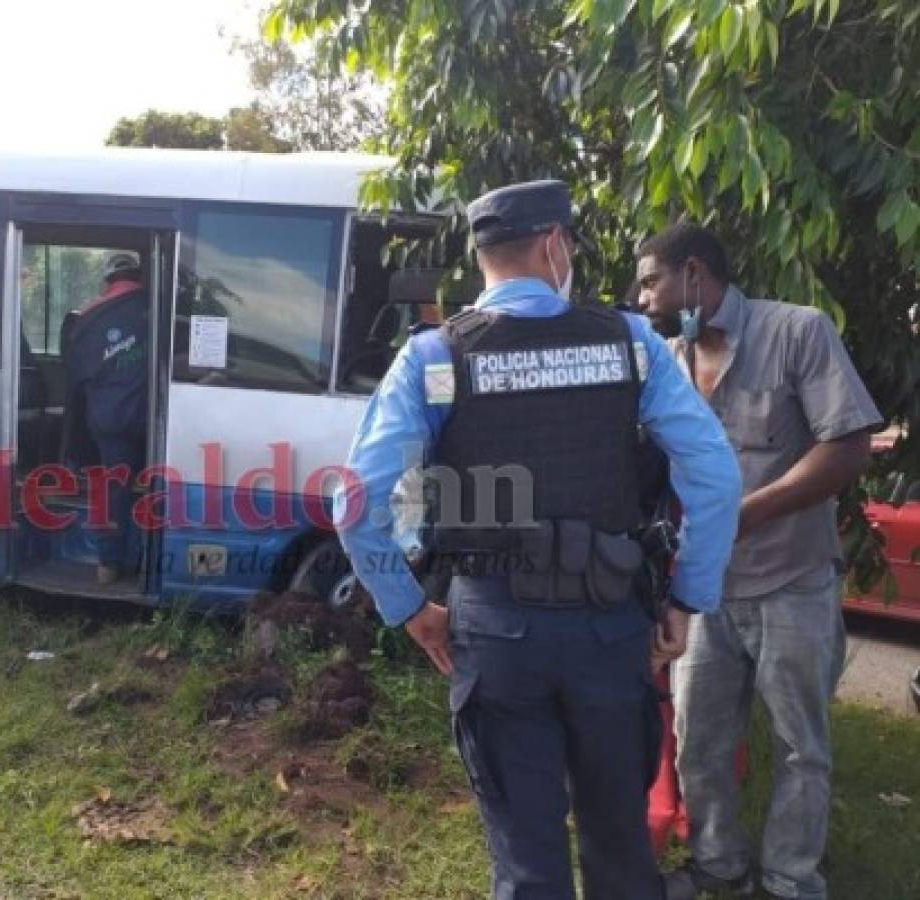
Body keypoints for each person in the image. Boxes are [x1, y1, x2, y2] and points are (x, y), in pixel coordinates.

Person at [335, 180, 742, 900]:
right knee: (620, 845)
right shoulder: (630, 344)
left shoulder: (434, 357)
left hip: (495, 634)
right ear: (555, 245)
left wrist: (408, 608)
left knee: (527, 861)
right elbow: (712, 476)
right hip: (610, 630)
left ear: (481, 254)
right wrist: (686, 597)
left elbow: (355, 503)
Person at [636, 222, 882, 900]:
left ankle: (789, 878)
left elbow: (847, 446)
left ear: (692, 274)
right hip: (705, 591)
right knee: (696, 738)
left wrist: (741, 517)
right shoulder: (665, 357)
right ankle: (718, 863)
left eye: (650, 279)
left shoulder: (795, 332)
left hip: (793, 581)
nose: (642, 293)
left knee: (801, 744)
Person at [62, 251, 149, 583]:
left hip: (108, 419)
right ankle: (145, 560)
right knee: (154, 487)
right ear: (138, 277)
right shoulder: (157, 309)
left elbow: (77, 375)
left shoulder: (87, 317)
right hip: (148, 417)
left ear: (108, 280)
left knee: (113, 489)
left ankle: (108, 565)